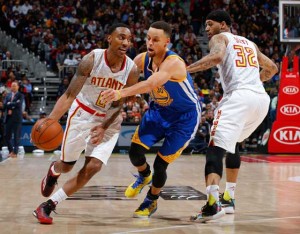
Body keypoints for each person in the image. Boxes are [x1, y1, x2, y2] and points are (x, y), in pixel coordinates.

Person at [33, 23, 139, 224]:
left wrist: (104, 126)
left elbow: (119, 105)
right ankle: (53, 171)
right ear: (109, 38)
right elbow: (70, 94)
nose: (126, 42)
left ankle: (48, 205)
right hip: (82, 114)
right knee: (66, 166)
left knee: (93, 167)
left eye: (129, 39)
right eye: (121, 37)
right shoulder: (92, 59)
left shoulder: (131, 70)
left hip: (108, 121)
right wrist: (51, 120)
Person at [101, 21, 201, 218]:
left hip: (183, 118)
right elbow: (122, 72)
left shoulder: (174, 63)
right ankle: (144, 175)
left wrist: (120, 93)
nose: (150, 43)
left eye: (155, 40)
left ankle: (151, 200)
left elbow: (151, 83)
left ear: (167, 42)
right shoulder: (142, 59)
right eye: (148, 38)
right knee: (135, 153)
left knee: (160, 164)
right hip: (158, 112)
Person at [186, 10, 278, 222]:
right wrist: (254, 84)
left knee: (215, 148)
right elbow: (272, 68)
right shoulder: (250, 43)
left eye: (210, 24)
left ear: (224, 25)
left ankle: (212, 205)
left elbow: (216, 56)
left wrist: (185, 70)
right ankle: (229, 198)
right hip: (260, 100)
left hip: (239, 98)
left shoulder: (220, 38)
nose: (207, 29)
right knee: (233, 144)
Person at [3, 81, 24, 158]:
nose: (13, 87)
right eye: (12, 86)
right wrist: (11, 105)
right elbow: (5, 105)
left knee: (16, 136)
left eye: (15, 86)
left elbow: (18, 104)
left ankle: (15, 152)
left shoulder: (20, 95)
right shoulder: (8, 95)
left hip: (17, 119)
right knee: (6, 136)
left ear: (18, 87)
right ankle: (11, 150)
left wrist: (9, 104)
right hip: (8, 118)